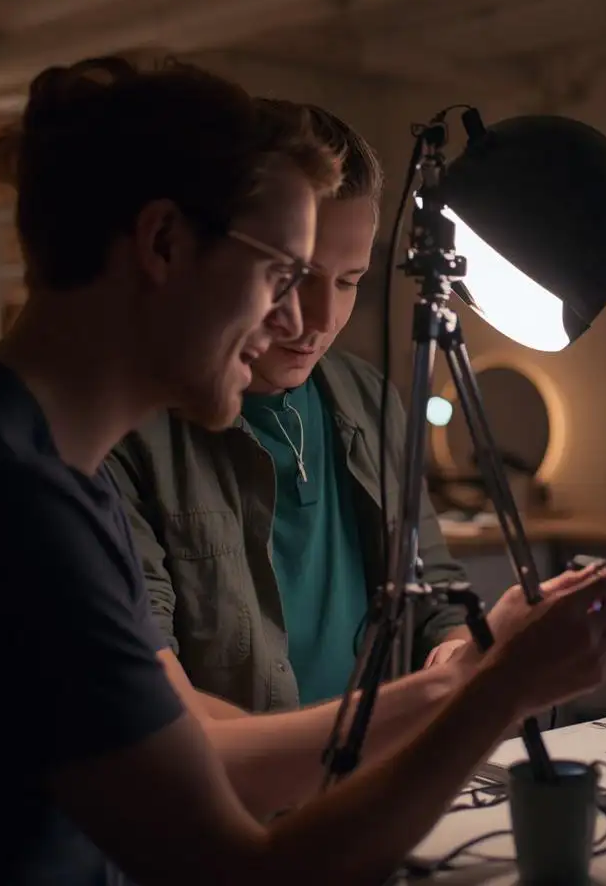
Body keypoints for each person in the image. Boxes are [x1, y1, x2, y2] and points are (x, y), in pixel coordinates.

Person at [0, 56, 606, 886]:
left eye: (335, 282)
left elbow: (201, 745)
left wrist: (477, 678)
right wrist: (492, 691)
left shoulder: (37, 469)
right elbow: (243, 872)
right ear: (163, 243)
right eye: (280, 274)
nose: (292, 323)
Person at [106, 100, 477, 729]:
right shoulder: (129, 427)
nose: (316, 321)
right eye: (292, 274)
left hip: (368, 776)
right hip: (239, 803)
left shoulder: (369, 399)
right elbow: (154, 702)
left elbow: (435, 589)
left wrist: (462, 650)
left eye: (349, 280)